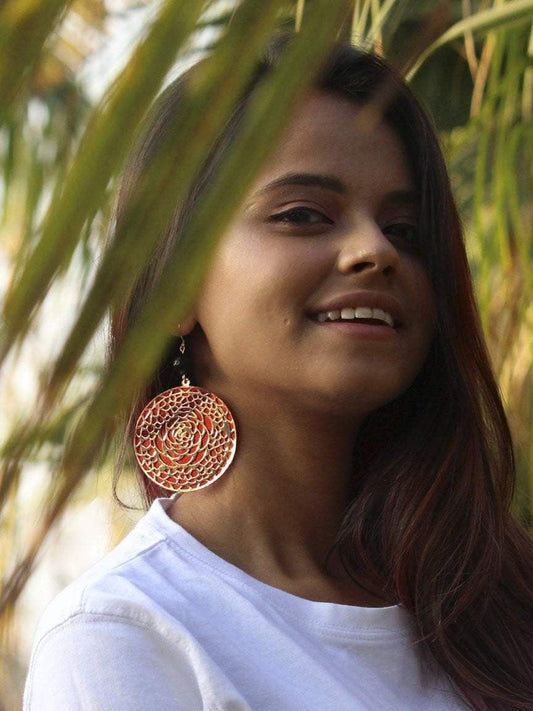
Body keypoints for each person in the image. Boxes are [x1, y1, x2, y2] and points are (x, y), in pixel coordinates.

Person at [24, 41, 533, 710]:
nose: (374, 250)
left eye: (405, 228)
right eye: (303, 215)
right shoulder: (126, 633)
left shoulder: (494, 595)